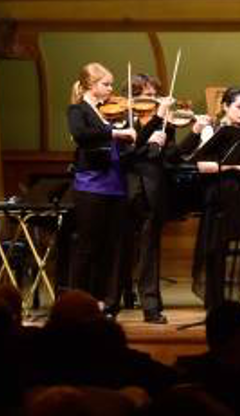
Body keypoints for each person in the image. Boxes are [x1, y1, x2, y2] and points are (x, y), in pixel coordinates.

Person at [183, 86, 240, 314]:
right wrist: (236, 165)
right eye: (238, 107)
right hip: (220, 195)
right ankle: (216, 303)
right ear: (225, 106)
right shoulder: (211, 130)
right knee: (216, 249)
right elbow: (204, 166)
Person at [66, 62, 133, 315]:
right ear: (90, 86)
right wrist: (114, 133)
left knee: (114, 247)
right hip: (92, 186)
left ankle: (109, 302)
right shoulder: (78, 110)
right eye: (106, 84)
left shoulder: (108, 111)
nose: (111, 89)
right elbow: (81, 134)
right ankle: (79, 302)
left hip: (115, 186)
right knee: (88, 246)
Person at [121, 71, 176, 324]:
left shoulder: (165, 121)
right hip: (124, 190)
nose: (154, 101)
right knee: (120, 249)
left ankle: (151, 306)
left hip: (153, 191)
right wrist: (151, 134)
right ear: (134, 97)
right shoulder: (122, 119)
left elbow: (172, 158)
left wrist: (168, 136)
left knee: (149, 250)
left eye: (156, 95)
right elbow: (125, 156)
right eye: (148, 96)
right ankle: (112, 301)